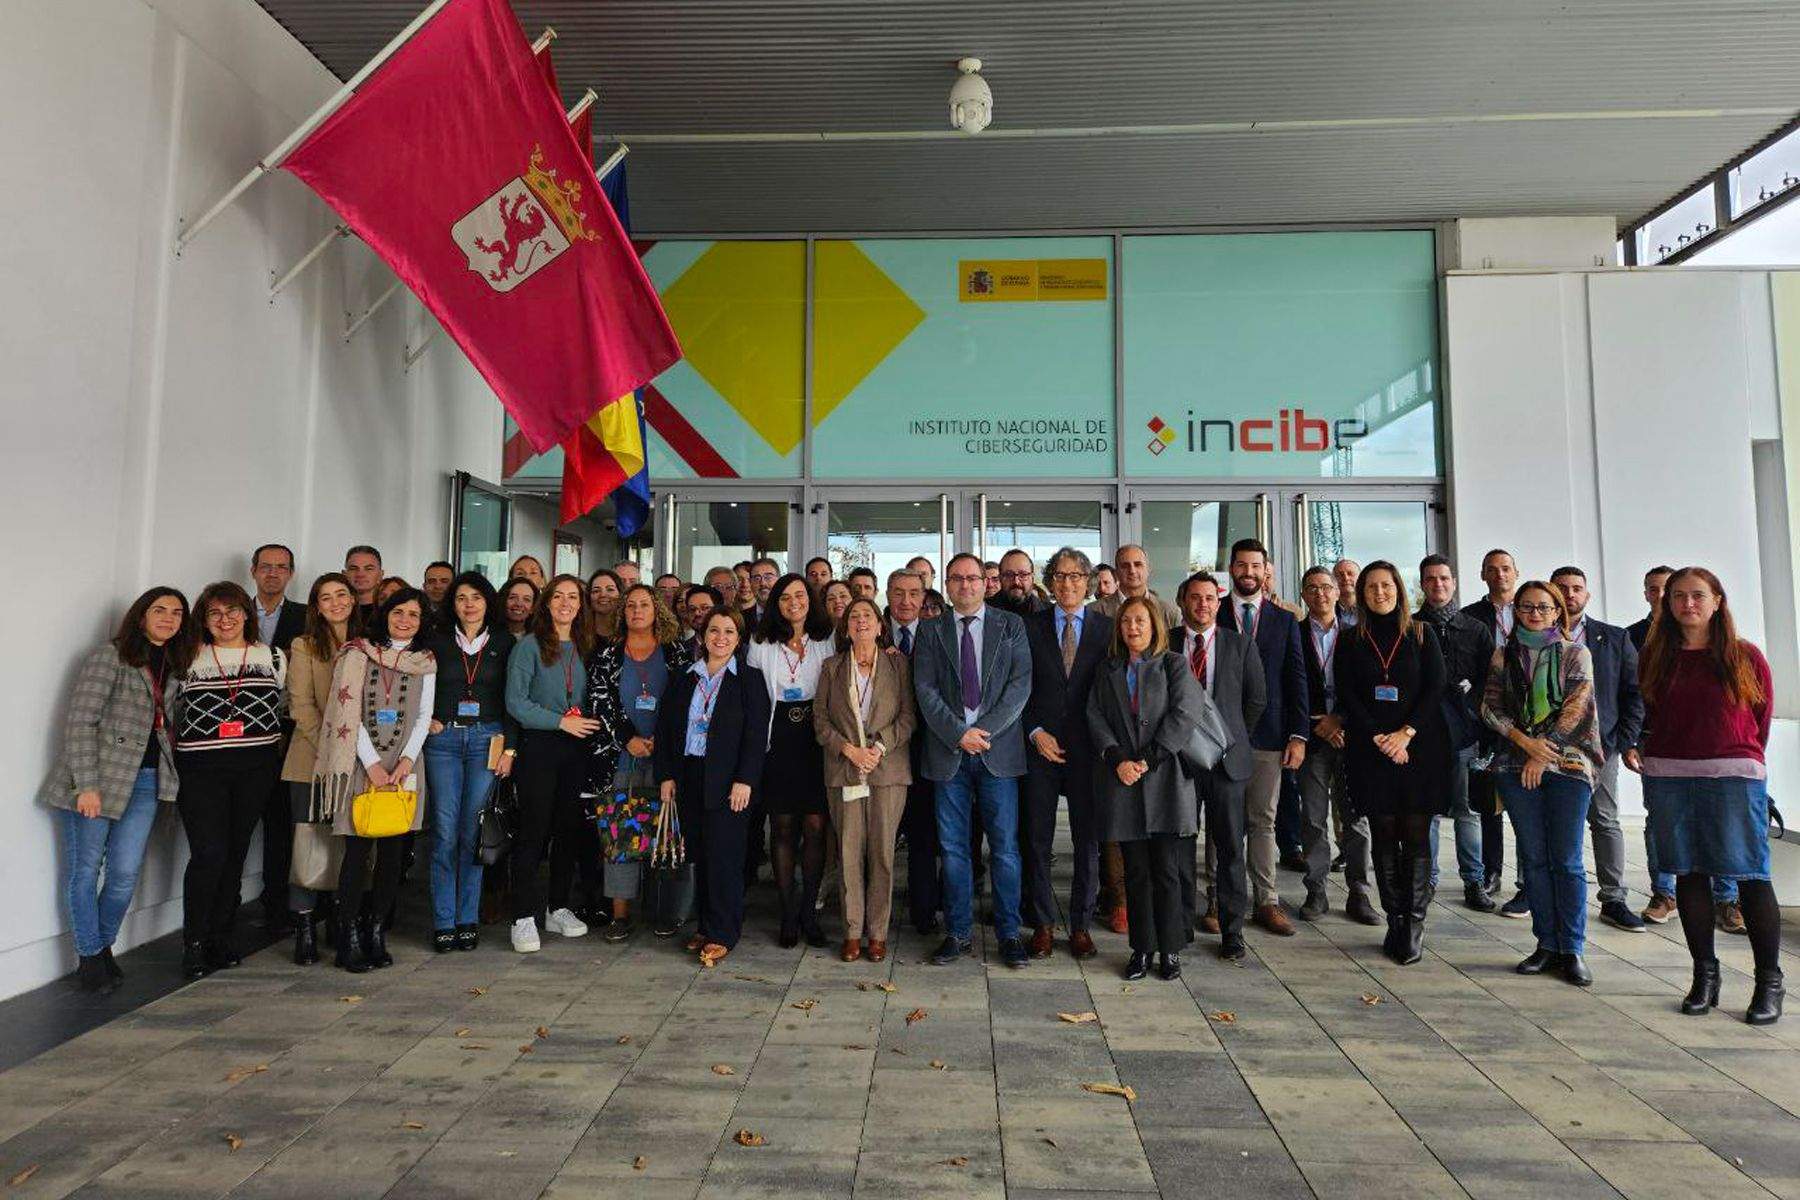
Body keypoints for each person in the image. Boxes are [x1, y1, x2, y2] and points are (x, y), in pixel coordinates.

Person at [1635, 567, 1782, 1025]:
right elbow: (1652, 714)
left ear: (1717, 601)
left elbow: (1760, 720)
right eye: (1678, 596)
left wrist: (1736, 759)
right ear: (1667, 604)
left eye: (1698, 595)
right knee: (1688, 873)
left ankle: (1769, 982)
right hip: (1670, 777)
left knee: (1751, 876)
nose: (1688, 604)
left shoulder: (1744, 655)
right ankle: (1705, 977)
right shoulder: (1656, 656)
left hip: (1733, 776)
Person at [40, 588, 190, 992]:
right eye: (159, 610)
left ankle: (102, 945)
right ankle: (90, 957)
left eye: (177, 613)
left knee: (124, 873)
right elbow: (81, 722)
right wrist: (86, 786)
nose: (168, 618)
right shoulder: (111, 656)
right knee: (85, 870)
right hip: (97, 780)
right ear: (141, 616)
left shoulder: (175, 666)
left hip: (146, 781)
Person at [912, 552, 1033, 968]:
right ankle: (958, 933)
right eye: (957, 579)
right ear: (947, 585)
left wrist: (982, 733)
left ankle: (1009, 934)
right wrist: (958, 734)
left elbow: (1019, 686)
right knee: (953, 849)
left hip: (997, 752)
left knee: (1005, 848)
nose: (965, 585)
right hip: (949, 753)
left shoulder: (1011, 625)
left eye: (972, 578)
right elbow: (925, 689)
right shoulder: (931, 630)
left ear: (985, 582)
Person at [1479, 579, 1602, 986]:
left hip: (1568, 765)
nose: (1535, 614)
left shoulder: (1575, 653)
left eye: (1544, 607)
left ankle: (1573, 948)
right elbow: (1490, 708)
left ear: (1557, 612)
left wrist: (1540, 752)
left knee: (1566, 859)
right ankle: (1546, 944)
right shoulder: (1504, 655)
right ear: (1516, 612)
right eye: (1527, 607)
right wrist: (1524, 743)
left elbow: (1576, 711)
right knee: (1533, 858)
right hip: (1515, 766)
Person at [315, 589, 436, 973]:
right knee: (356, 853)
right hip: (360, 764)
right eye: (398, 612)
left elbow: (424, 716)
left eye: (413, 614)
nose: (405, 620)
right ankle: (348, 937)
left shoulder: (426, 661)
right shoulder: (357, 653)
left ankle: (376, 931)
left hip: (404, 767)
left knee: (392, 856)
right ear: (385, 614)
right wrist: (371, 764)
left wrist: (405, 761)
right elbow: (347, 714)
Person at [1336, 561, 1448, 966]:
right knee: (1383, 834)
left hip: (1419, 748)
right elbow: (1347, 693)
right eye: (1371, 587)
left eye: (1386, 585)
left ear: (1399, 589)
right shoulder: (1350, 639)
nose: (1379, 593)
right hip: (1371, 750)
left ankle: (1415, 922)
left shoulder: (1422, 633)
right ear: (1361, 593)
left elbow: (1436, 687)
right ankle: (1395, 920)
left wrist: (1405, 734)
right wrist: (1380, 738)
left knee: (1415, 834)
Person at [174, 581, 288, 979]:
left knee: (236, 853)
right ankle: (194, 942)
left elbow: (281, 706)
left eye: (233, 611)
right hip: (201, 770)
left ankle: (220, 938)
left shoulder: (272, 656)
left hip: (255, 769)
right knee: (208, 854)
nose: (225, 620)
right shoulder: (188, 656)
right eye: (215, 613)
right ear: (203, 620)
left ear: (246, 614)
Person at [1088, 596, 1203, 981]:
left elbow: (1185, 714)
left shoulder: (1174, 664)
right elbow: (1095, 715)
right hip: (1123, 781)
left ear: (1154, 626)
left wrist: (1148, 759)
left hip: (1165, 780)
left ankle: (1170, 950)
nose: (1132, 628)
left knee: (1167, 871)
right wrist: (1117, 758)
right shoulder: (1109, 669)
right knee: (1135, 873)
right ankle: (1142, 949)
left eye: (1140, 621)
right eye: (1126, 622)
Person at [655, 609, 770, 964]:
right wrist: (666, 775)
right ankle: (705, 926)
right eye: (714, 631)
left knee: (725, 857)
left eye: (729, 631)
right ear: (703, 636)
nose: (721, 638)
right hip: (689, 775)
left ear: (739, 639)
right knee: (700, 854)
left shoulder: (749, 679)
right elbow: (666, 729)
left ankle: (724, 932)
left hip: (730, 781)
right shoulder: (683, 676)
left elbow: (756, 735)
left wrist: (745, 780)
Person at [1538, 566, 1646, 933]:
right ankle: (1534, 891)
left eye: (1576, 588)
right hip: (1547, 746)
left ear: (1587, 595)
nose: (1570, 594)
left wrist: (1623, 741)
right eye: (1562, 588)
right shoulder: (1536, 638)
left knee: (1604, 819)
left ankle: (1613, 898)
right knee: (1545, 821)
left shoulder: (1614, 638)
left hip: (1601, 747)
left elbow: (1633, 693)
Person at [1627, 567, 1738, 926]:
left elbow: (1754, 711)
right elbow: (1634, 697)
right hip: (1659, 749)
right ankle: (1664, 893)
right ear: (1647, 594)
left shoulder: (1729, 647)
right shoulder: (1634, 638)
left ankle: (1726, 899)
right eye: (1655, 590)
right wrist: (1633, 741)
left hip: (1717, 755)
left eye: (1668, 590)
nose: (1662, 597)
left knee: (1718, 826)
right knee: (1661, 824)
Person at [586, 584, 693, 941]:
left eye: (644, 604)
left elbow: (687, 700)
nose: (636, 611)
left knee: (667, 832)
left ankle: (665, 911)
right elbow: (599, 700)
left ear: (657, 610)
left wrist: (664, 739)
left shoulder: (675, 651)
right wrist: (628, 737)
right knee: (621, 833)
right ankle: (621, 915)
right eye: (630, 605)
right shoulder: (608, 653)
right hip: (621, 756)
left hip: (668, 757)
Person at [1020, 548, 1113, 959]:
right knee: (1036, 839)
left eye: (1076, 576)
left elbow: (1111, 694)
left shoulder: (1107, 629)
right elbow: (1016, 687)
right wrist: (1034, 731)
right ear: (1050, 582)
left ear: (1088, 582)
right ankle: (1042, 924)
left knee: (1086, 842)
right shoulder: (1029, 627)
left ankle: (1080, 925)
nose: (1068, 583)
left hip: (1089, 752)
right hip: (1040, 748)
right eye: (1060, 575)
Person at [814, 597, 916, 962]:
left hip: (887, 771)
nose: (860, 621)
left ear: (879, 625)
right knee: (849, 853)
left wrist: (879, 747)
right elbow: (820, 720)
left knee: (882, 854)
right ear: (845, 627)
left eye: (867, 615)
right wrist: (848, 749)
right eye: (854, 616)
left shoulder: (897, 664)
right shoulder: (831, 667)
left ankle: (878, 933)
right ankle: (852, 931)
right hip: (845, 771)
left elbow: (908, 717)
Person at [1216, 538, 1308, 935]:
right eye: (1242, 565)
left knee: (1263, 821)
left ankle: (1266, 901)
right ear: (1231, 569)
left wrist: (1298, 735)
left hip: (1269, 737)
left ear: (1265, 570)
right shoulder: (1213, 610)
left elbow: (1296, 680)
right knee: (1222, 822)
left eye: (1256, 566)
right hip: (1219, 737)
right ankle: (1218, 899)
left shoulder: (1284, 620)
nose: (1248, 572)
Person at [505, 575, 602, 953]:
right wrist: (560, 721)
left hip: (576, 748)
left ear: (581, 604)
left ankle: (557, 907)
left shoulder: (586, 644)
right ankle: (522, 916)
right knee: (534, 830)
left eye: (573, 596)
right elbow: (516, 703)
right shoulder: (529, 647)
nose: (565, 602)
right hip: (541, 746)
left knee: (568, 829)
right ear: (545, 603)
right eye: (558, 596)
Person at [1172, 572, 1265, 960]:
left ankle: (1232, 930)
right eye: (1195, 597)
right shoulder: (1167, 643)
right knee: (1179, 847)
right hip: (1178, 762)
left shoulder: (1240, 644)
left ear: (1218, 602)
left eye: (1210, 598)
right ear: (1182, 601)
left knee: (1229, 849)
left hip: (1226, 763)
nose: (1203, 604)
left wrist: (1226, 739)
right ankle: (1179, 926)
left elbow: (1256, 701)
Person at [421, 572, 515, 953]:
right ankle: (444, 920)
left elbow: (512, 699)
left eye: (476, 597)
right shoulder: (436, 640)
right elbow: (419, 685)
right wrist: (424, 719)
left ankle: (467, 918)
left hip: (486, 741)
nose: (469, 604)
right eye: (461, 598)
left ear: (488, 602)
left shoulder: (505, 642)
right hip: (443, 741)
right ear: (452, 604)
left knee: (472, 832)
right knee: (444, 831)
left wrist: (510, 749)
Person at [746, 573, 837, 947]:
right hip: (778, 738)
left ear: (810, 600)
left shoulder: (827, 638)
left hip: (816, 739)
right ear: (776, 604)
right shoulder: (760, 642)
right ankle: (787, 913)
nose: (794, 602)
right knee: (782, 828)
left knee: (815, 826)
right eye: (785, 597)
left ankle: (808, 913)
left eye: (800, 595)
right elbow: (755, 700)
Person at [279, 573, 357, 966]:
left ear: (353, 599)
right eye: (326, 597)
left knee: (347, 844)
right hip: (310, 759)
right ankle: (305, 927)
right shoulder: (304, 645)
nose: (335, 602)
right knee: (307, 846)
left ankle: (341, 921)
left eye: (341, 594)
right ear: (316, 606)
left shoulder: (369, 644)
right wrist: (331, 748)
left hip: (357, 763)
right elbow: (300, 705)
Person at [1414, 554, 1496, 913]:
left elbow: (1492, 682)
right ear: (1422, 584)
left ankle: (1473, 881)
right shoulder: (1412, 627)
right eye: (1431, 579)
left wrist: (1472, 700)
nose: (1438, 584)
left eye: (1444, 578)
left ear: (1454, 582)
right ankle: (1427, 880)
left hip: (1465, 734)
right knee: (1428, 811)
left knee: (1467, 810)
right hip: (1422, 734)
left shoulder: (1476, 629)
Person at [1296, 568, 1379, 925]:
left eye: (1326, 587)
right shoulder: (1294, 633)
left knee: (1355, 819)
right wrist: (1318, 724)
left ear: (1337, 591)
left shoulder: (1358, 634)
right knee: (1313, 818)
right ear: (1303, 595)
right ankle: (1316, 890)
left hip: (1352, 737)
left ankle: (1359, 892)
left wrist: (1341, 719)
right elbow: (1290, 686)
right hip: (1312, 738)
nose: (1320, 594)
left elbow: (1366, 686)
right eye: (1312, 588)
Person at [248, 543, 305, 931]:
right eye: (266, 566)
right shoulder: (234, 613)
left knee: (281, 823)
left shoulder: (305, 617)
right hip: (239, 733)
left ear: (291, 574)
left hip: (287, 732)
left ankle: (276, 904)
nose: (273, 573)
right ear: (253, 571)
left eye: (281, 567)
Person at [887, 568, 941, 933]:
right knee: (879, 837)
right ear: (887, 594)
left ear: (923, 597)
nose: (906, 601)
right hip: (880, 752)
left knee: (924, 836)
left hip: (926, 751)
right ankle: (871, 916)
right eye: (898, 593)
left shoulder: (939, 635)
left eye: (913, 593)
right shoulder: (869, 631)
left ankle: (924, 913)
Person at [1462, 548, 1518, 895]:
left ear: (1516, 572)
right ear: (1483, 575)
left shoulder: (1532, 608)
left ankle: (1527, 878)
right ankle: (1492, 871)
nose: (1500, 575)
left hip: (1527, 718)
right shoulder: (1470, 617)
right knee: (1488, 799)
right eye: (1492, 569)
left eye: (1506, 568)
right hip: (1487, 716)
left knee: (1528, 800)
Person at [1093, 545, 1182, 630]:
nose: (1132, 571)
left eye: (1138, 564)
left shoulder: (1170, 613)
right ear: (1116, 572)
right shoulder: (1094, 611)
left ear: (1148, 569)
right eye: (1125, 566)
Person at [1628, 565, 1675, 651]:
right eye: (1653, 590)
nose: (1660, 595)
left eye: (1667, 589)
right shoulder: (1628, 636)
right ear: (1646, 595)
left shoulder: (1693, 631)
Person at [994, 549, 1045, 617]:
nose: (1016, 582)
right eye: (1009, 575)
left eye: (1023, 575)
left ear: (1032, 578)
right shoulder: (983, 612)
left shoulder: (1051, 614)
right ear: (1000, 578)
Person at [344, 545, 383, 616]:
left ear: (380, 575)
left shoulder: (390, 611)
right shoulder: (335, 611)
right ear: (344, 574)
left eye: (368, 569)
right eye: (353, 569)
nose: (360, 575)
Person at [681, 584, 719, 652]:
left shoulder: (735, 648)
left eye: (705, 608)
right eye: (692, 609)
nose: (697, 613)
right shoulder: (682, 650)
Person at [588, 568, 623, 641]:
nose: (603, 595)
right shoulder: (579, 633)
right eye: (596, 591)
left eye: (610, 589)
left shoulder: (630, 631)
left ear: (620, 594)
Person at [420, 561, 455, 632]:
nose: (437, 586)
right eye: (432, 581)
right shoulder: (416, 614)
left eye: (444, 581)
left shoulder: (463, 615)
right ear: (424, 586)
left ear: (454, 585)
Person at [745, 557, 780, 626]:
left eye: (768, 577)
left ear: (779, 580)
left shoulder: (790, 615)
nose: (763, 583)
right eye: (757, 578)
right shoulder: (742, 619)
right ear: (750, 583)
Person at [1332, 559, 1361, 627]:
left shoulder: (1371, 607)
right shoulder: (1326, 610)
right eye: (1340, 575)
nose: (1346, 578)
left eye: (1350, 574)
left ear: (1360, 578)